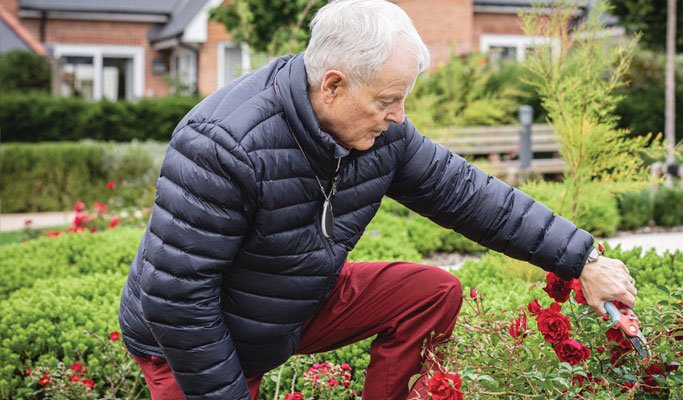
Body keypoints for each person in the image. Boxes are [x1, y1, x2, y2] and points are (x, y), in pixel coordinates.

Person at [118, 1, 638, 399]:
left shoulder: (382, 132)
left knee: (429, 293)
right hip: (192, 333)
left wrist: (583, 260)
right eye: (389, 100)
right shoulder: (221, 145)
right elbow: (178, 299)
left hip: (289, 293)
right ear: (333, 86)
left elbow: (470, 195)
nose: (400, 116)